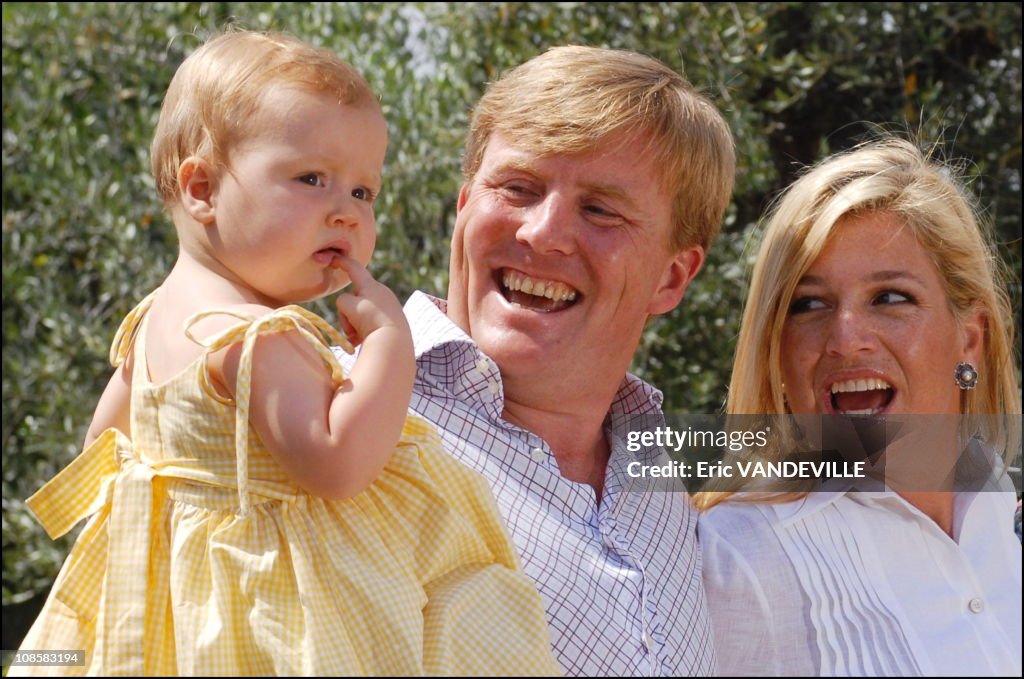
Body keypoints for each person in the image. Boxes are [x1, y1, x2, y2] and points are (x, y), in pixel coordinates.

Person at [12, 30, 560, 676]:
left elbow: (102, 452)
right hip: (273, 618)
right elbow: (339, 463)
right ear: (202, 188)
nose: (347, 213)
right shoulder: (253, 339)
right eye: (312, 178)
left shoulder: (152, 322)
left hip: (181, 615)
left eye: (363, 192)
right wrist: (391, 346)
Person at [347, 45, 735, 675]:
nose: (543, 232)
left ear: (672, 277)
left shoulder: (659, 472)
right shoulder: (331, 410)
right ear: (465, 204)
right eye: (518, 188)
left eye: (600, 209)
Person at [695, 137, 1022, 676]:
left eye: (890, 298)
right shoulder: (737, 559)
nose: (846, 339)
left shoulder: (996, 511)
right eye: (808, 304)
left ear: (969, 339)